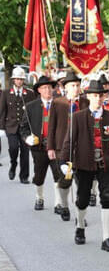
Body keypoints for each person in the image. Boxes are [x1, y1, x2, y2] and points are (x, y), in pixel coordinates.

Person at [61, 80, 109, 252]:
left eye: (101, 95)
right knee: (83, 198)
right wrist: (64, 162)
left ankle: (107, 237)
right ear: (88, 97)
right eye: (94, 95)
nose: (98, 99)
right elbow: (69, 142)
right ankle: (80, 227)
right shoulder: (78, 117)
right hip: (84, 163)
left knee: (107, 198)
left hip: (106, 164)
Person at [47, 71, 89, 218]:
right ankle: (64, 205)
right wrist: (50, 147)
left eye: (78, 85)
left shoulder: (85, 102)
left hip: (81, 147)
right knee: (65, 179)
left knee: (82, 182)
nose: (76, 88)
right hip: (62, 147)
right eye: (72, 85)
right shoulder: (58, 103)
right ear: (66, 87)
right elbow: (51, 126)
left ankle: (80, 213)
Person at [19, 76, 62, 213]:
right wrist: (27, 138)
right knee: (39, 175)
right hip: (39, 147)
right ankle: (39, 197)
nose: (48, 90)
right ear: (39, 90)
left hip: (56, 146)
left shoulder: (60, 105)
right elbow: (23, 127)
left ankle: (58, 202)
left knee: (58, 174)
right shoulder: (31, 107)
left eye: (50, 87)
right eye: (44, 88)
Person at [0, 66, 36, 183]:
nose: (19, 81)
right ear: (13, 80)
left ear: (23, 80)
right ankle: (13, 164)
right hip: (11, 126)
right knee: (13, 148)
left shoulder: (29, 94)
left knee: (25, 152)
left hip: (25, 128)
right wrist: (1, 127)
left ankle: (24, 176)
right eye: (17, 79)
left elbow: (33, 111)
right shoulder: (6, 93)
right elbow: (2, 110)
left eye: (21, 79)